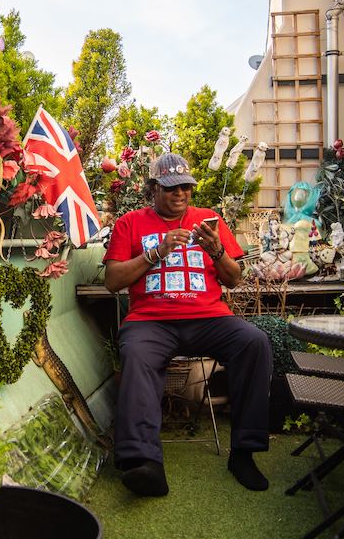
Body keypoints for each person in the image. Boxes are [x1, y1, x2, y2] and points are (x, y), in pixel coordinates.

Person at [103, 152, 273, 496]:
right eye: (171, 188)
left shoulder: (210, 220)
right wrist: (157, 252)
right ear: (153, 189)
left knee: (254, 342)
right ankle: (144, 463)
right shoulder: (130, 223)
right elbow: (112, 281)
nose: (180, 194)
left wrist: (217, 252)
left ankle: (243, 453)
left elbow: (235, 279)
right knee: (136, 354)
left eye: (186, 187)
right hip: (151, 322)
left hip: (208, 318)